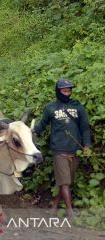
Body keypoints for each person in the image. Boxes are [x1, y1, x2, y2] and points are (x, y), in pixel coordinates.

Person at [33, 79, 91, 218]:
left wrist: (87, 145)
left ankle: (54, 206)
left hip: (75, 149)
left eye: (69, 91)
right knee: (65, 182)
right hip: (59, 150)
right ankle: (70, 212)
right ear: (58, 92)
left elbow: (84, 128)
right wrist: (30, 133)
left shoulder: (77, 107)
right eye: (64, 91)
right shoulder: (50, 108)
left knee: (66, 182)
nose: (67, 93)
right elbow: (42, 125)